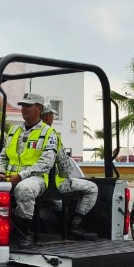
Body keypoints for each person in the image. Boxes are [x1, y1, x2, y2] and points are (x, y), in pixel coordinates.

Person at [0, 93, 58, 248]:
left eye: (28, 105)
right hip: (10, 176)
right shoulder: (14, 130)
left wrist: (21, 176)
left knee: (24, 189)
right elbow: (3, 156)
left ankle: (25, 232)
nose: (24, 108)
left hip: (36, 178)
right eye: (23, 105)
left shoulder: (48, 133)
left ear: (40, 108)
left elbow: (46, 163)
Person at [41, 99, 98, 240]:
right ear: (47, 116)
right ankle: (74, 227)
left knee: (57, 202)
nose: (53, 118)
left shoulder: (23, 133)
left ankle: (58, 226)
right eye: (52, 115)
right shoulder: (51, 134)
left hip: (32, 184)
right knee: (92, 188)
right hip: (54, 183)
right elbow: (64, 166)